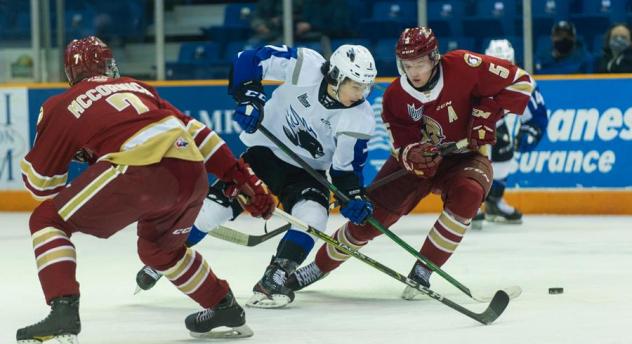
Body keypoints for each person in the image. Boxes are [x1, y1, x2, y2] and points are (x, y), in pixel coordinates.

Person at [15, 36, 275, 344]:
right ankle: (223, 307)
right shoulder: (137, 87)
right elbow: (199, 133)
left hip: (140, 172)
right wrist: (244, 180)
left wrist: (51, 157)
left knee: (47, 220)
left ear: (69, 71)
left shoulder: (61, 103)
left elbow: (42, 185)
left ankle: (62, 315)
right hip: (191, 171)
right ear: (109, 65)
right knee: (159, 251)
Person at [284, 27, 534, 299]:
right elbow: (401, 145)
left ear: (434, 57)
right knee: (368, 221)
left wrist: (486, 115)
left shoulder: (465, 65)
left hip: (466, 157)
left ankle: (423, 271)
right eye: (407, 65)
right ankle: (319, 267)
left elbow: (521, 81)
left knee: (469, 193)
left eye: (420, 63)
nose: (414, 72)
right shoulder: (395, 97)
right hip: (416, 167)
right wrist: (412, 155)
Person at [135, 43, 377, 308]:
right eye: (356, 85)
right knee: (212, 211)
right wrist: (249, 97)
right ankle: (165, 258)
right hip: (264, 154)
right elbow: (249, 58)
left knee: (315, 217)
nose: (362, 93)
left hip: (308, 174)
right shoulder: (306, 66)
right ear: (336, 77)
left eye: (366, 86)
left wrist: (353, 195)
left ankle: (276, 276)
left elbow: (345, 170)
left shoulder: (360, 117)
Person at [472, 39, 549, 228]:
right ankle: (465, 201)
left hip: (494, 124)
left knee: (504, 146)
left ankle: (494, 201)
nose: (500, 70)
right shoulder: (471, 77)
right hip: (467, 125)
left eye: (505, 64)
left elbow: (537, 115)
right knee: (468, 157)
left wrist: (530, 131)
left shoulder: (522, 82)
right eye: (495, 64)